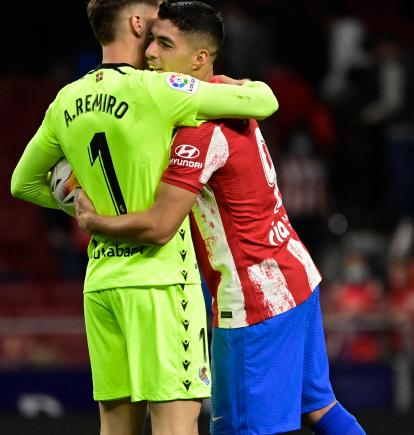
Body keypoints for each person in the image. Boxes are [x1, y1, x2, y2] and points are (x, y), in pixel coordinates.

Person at [75, 2, 365, 434]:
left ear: (199, 58)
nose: (151, 52)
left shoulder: (201, 130)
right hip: (294, 275)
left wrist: (96, 221)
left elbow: (159, 226)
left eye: (165, 43)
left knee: (240, 428)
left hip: (253, 299)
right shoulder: (229, 91)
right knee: (320, 408)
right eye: (152, 39)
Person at [11, 0, 279, 433]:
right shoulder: (159, 90)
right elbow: (263, 102)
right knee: (176, 422)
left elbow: (22, 183)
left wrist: (82, 205)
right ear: (137, 23)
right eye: (153, 13)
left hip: (101, 282)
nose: (158, 20)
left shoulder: (66, 100)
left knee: (117, 427)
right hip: (162, 283)